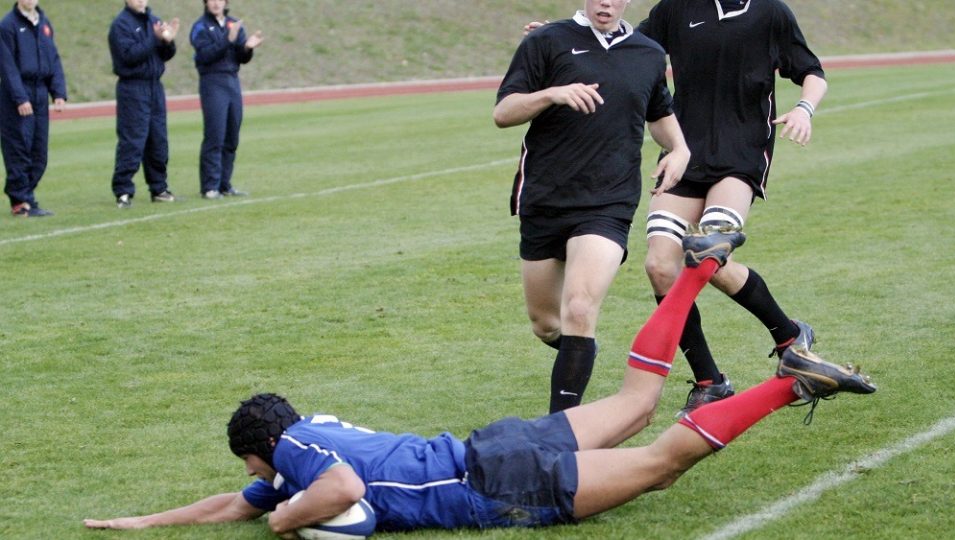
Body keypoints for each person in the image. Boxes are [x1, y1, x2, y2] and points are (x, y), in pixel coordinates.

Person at [82, 227, 876, 535]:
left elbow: (336, 490)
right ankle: (698, 272)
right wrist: (150, 522)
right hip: (498, 442)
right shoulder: (305, 434)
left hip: (501, 480)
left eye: (251, 466)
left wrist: (288, 523)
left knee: (663, 462)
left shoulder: (299, 458)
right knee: (638, 405)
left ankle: (790, 385)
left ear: (262, 447)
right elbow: (237, 503)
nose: (253, 482)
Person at [528, 0, 829, 416]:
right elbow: (623, 43)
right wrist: (559, 38)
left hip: (741, 151)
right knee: (661, 267)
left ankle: (787, 338)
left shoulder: (770, 12)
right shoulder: (675, 8)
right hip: (684, 152)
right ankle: (715, 378)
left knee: (708, 251)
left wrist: (804, 108)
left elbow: (811, 71)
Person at [495, 0, 690, 413]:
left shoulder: (648, 53)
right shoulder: (547, 40)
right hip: (546, 197)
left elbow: (658, 111)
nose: (607, 2)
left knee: (580, 308)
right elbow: (503, 112)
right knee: (546, 324)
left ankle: (559, 433)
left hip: (609, 200)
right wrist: (553, 93)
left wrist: (680, 149)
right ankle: (579, 353)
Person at [108, 0, 179, 209]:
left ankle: (158, 188)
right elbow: (129, 56)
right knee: (132, 141)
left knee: (158, 140)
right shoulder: (121, 25)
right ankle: (123, 190)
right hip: (133, 87)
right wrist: (154, 39)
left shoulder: (154, 21)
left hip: (155, 87)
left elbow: (165, 55)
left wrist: (168, 42)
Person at [190, 0, 263, 200]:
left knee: (232, 135)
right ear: (205, 3)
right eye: (211, 0)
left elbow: (240, 57)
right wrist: (227, 40)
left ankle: (224, 184)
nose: (216, 3)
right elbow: (205, 55)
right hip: (212, 82)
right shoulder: (200, 27)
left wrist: (247, 48)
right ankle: (209, 186)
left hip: (232, 81)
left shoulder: (233, 24)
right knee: (215, 135)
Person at [0, 0, 66, 217]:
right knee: (19, 149)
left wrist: (58, 92)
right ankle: (21, 202)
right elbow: (7, 66)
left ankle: (25, 196)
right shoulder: (8, 25)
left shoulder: (44, 23)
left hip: (39, 94)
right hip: (17, 95)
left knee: (39, 154)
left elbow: (53, 60)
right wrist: (20, 98)